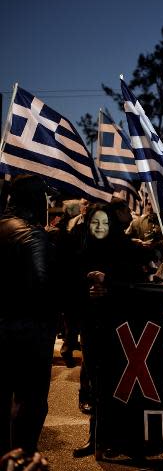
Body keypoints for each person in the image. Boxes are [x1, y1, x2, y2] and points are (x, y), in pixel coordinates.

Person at [72, 204, 146, 458]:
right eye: (95, 222)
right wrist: (87, 289)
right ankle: (95, 439)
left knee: (117, 384)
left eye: (104, 222)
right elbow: (67, 284)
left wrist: (110, 284)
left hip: (120, 328)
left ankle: (117, 439)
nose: (99, 227)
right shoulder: (80, 248)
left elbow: (138, 285)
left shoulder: (126, 248)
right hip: (91, 326)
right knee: (96, 384)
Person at [0, 175, 57, 455]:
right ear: (35, 200)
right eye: (44, 198)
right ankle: (23, 459)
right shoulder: (33, 235)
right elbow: (43, 285)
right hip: (28, 334)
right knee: (30, 404)